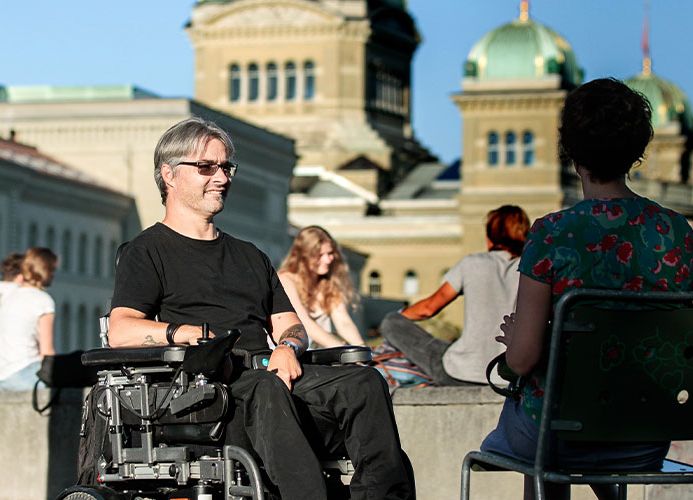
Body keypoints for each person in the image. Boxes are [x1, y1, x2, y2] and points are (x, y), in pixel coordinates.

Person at [108, 116, 413, 500]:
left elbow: (291, 325)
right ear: (169, 174)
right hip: (208, 395)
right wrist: (184, 333)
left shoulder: (250, 255)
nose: (221, 177)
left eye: (226, 167)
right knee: (265, 388)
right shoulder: (146, 251)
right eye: (206, 167)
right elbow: (121, 329)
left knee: (363, 382)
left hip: (272, 379)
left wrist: (288, 347)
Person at [481, 78, 693, 500]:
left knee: (542, 434)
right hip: (646, 438)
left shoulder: (554, 233)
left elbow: (522, 361)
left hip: (562, 437)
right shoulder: (677, 232)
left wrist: (520, 340)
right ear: (636, 152)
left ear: (571, 151)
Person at [379, 205, 530, 386]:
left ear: (490, 237)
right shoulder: (531, 269)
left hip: (461, 373)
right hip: (512, 374)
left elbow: (427, 309)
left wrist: (399, 318)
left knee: (390, 321)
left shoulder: (472, 263)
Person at [279, 226, 365, 348]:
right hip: (290, 354)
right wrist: (344, 350)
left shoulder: (327, 282)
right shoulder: (285, 280)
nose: (328, 259)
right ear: (303, 256)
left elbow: (344, 322)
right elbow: (305, 324)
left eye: (330, 253)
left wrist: (362, 350)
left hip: (320, 355)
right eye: (319, 255)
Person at [0, 247, 57, 391]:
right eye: (53, 270)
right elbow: (47, 352)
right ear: (46, 271)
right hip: (25, 375)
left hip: (3, 376)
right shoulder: (43, 300)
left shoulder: (8, 296)